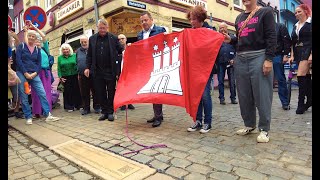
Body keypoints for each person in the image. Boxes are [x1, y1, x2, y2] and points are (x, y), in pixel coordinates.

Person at [224, 0, 276, 142]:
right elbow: (241, 40)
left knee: (262, 95)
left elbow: (271, 36)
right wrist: (231, 40)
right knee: (244, 95)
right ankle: (249, 125)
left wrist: (269, 59)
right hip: (241, 58)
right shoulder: (239, 17)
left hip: (259, 56)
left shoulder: (265, 12)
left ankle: (264, 129)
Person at [15, 29, 60, 125]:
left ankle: (48, 115)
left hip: (34, 74)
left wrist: (35, 73)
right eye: (29, 35)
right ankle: (28, 116)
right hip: (22, 73)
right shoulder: (21, 46)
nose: (31, 37)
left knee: (42, 93)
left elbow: (39, 64)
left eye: (33, 36)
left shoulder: (37, 49)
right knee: (24, 95)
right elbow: (18, 61)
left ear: (35, 38)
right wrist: (25, 73)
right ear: (27, 36)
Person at [84, 19, 123, 121]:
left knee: (111, 92)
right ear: (97, 28)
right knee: (100, 92)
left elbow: (120, 50)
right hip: (97, 71)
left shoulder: (113, 38)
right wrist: (87, 67)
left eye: (104, 28)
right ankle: (104, 111)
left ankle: (110, 111)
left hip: (110, 70)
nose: (102, 30)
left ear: (107, 28)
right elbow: (89, 55)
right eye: (100, 28)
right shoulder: (92, 39)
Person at [186, 6, 216, 133]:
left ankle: (207, 122)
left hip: (206, 68)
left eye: (194, 19)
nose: (192, 22)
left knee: (204, 95)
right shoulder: (190, 32)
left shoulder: (210, 31)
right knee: (196, 96)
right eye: (191, 19)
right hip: (193, 69)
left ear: (200, 18)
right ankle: (198, 121)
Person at [137, 11, 166, 127]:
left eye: (145, 20)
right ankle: (158, 114)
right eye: (142, 21)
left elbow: (166, 44)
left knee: (156, 90)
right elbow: (139, 50)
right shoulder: (139, 34)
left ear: (151, 19)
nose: (144, 22)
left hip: (158, 64)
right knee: (152, 91)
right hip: (146, 66)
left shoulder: (160, 30)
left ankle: (158, 116)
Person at [23, 24, 53, 118]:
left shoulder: (44, 49)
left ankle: (47, 111)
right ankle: (37, 111)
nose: (37, 42)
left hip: (45, 72)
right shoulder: (31, 49)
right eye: (35, 41)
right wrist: (26, 31)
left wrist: (33, 27)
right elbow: (27, 40)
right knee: (36, 93)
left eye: (38, 40)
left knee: (46, 92)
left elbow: (44, 37)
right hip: (35, 73)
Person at [288, 4, 312, 114]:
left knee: (300, 75)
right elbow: (293, 43)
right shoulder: (295, 25)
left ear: (306, 11)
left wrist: (312, 54)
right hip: (298, 52)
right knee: (306, 76)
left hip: (307, 50)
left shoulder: (310, 23)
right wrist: (292, 55)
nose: (297, 14)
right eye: (296, 12)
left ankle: (301, 103)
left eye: (299, 11)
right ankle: (310, 99)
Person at [76, 35, 100, 115]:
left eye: (85, 41)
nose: (84, 43)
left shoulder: (93, 49)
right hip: (82, 75)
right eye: (82, 42)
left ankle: (97, 107)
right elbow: (77, 62)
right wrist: (78, 71)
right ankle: (86, 108)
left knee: (95, 91)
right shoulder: (78, 51)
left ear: (88, 42)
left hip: (93, 74)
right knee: (84, 92)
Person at [217, 22, 238, 105]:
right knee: (220, 81)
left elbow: (237, 49)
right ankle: (221, 98)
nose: (222, 29)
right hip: (220, 62)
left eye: (223, 27)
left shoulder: (232, 38)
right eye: (220, 28)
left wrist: (234, 58)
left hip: (231, 62)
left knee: (232, 81)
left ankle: (233, 98)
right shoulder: (217, 38)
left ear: (227, 28)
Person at [57, 43, 82, 112]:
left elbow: (78, 64)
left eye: (67, 49)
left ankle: (79, 105)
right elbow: (59, 68)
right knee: (68, 92)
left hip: (75, 75)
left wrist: (79, 73)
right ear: (62, 50)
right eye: (64, 49)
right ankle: (69, 106)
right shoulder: (60, 58)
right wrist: (60, 77)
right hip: (65, 77)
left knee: (76, 90)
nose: (65, 51)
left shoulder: (74, 55)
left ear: (69, 49)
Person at [273, 22, 292, 110]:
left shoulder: (280, 26)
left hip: (277, 55)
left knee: (280, 79)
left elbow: (287, 41)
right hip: (265, 56)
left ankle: (285, 102)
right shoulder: (262, 27)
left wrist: (285, 54)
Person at [8, 30, 24, 118]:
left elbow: (19, 46)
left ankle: (16, 111)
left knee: (17, 95)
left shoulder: (12, 49)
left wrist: (15, 37)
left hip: (13, 74)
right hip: (10, 72)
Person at [118, 34, 135, 111]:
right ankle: (123, 103)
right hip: (119, 71)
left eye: (122, 38)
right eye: (119, 39)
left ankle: (129, 102)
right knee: (121, 88)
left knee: (129, 87)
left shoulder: (130, 48)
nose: (121, 40)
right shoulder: (116, 49)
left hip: (129, 71)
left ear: (126, 39)